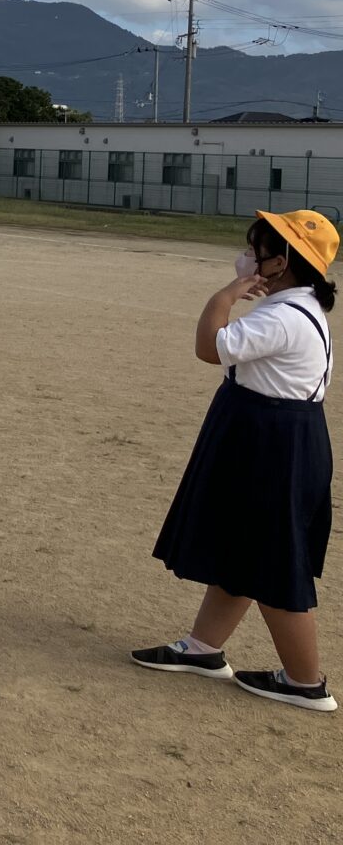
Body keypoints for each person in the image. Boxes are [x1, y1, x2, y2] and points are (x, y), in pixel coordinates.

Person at [136, 209, 338, 712]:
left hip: (271, 441)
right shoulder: (303, 306)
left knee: (272, 559)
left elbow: (210, 347)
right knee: (244, 546)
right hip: (271, 434)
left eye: (257, 248)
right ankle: (204, 648)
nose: (249, 255)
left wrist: (224, 296)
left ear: (281, 261)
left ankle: (304, 681)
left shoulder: (282, 316)